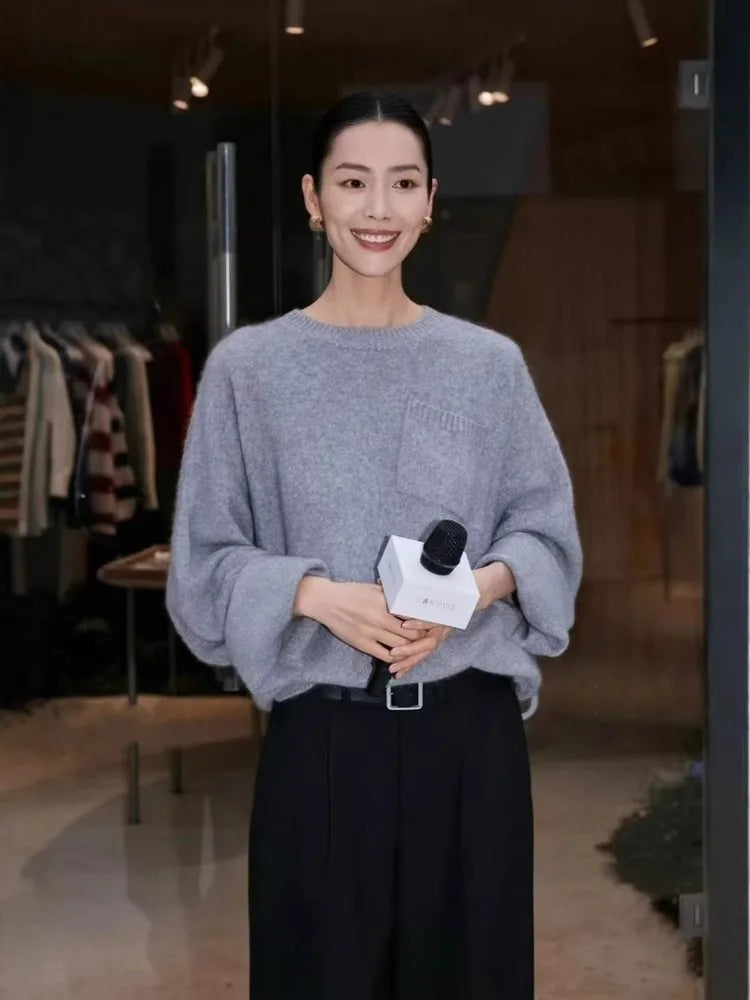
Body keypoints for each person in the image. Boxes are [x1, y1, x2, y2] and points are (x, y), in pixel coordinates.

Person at [166, 91, 582, 1000]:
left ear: (431, 201)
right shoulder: (249, 370)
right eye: (354, 183)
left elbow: (547, 534)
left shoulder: (488, 366)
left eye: (402, 183)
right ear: (314, 199)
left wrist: (478, 590)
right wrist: (314, 595)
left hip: (470, 744)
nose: (378, 208)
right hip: (320, 745)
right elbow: (202, 566)